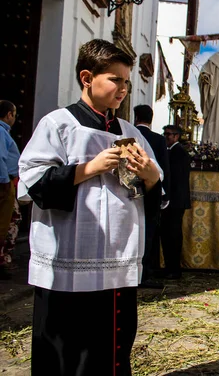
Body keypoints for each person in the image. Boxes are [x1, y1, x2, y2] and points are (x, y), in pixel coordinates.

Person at [17, 39, 162, 376]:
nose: (123, 88)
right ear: (87, 77)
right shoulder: (59, 125)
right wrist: (90, 168)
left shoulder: (129, 132)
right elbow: (32, 183)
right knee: (66, 350)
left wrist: (151, 176)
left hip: (116, 259)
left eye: (126, 81)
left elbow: (152, 194)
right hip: (69, 260)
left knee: (111, 349)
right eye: (115, 79)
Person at [134, 104, 171, 288]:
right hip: (154, 191)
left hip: (132, 191)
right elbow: (164, 166)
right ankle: (146, 271)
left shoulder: (130, 135)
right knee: (149, 232)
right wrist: (165, 194)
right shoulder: (158, 139)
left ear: (136, 117)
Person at [159, 125, 191, 280]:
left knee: (172, 235)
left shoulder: (178, 153)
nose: (166, 137)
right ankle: (169, 267)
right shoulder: (172, 152)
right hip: (173, 200)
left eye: (169, 135)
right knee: (167, 234)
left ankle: (174, 268)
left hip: (175, 201)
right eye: (164, 134)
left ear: (177, 136)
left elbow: (175, 179)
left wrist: (167, 197)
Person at [0, 100, 20, 276]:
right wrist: (5, 182)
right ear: (8, 115)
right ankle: (2, 259)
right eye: (14, 114)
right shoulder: (1, 132)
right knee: (7, 221)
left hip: (7, 182)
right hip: (4, 184)